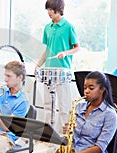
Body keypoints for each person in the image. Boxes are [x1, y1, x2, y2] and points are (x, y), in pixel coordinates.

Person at [14, 71, 117, 153]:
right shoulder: (79, 106)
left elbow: (100, 147)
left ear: (102, 89)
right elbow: (70, 134)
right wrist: (68, 131)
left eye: (91, 88)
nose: (86, 91)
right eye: (85, 87)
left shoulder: (110, 114)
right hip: (70, 150)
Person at [34, 0, 80, 133]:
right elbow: (47, 49)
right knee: (48, 104)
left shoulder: (68, 27)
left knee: (64, 105)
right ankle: (49, 134)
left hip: (63, 71)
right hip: (48, 70)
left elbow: (77, 48)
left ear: (58, 9)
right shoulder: (47, 28)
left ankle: (62, 135)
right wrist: (38, 65)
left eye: (51, 9)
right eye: (47, 9)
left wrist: (65, 53)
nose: (48, 12)